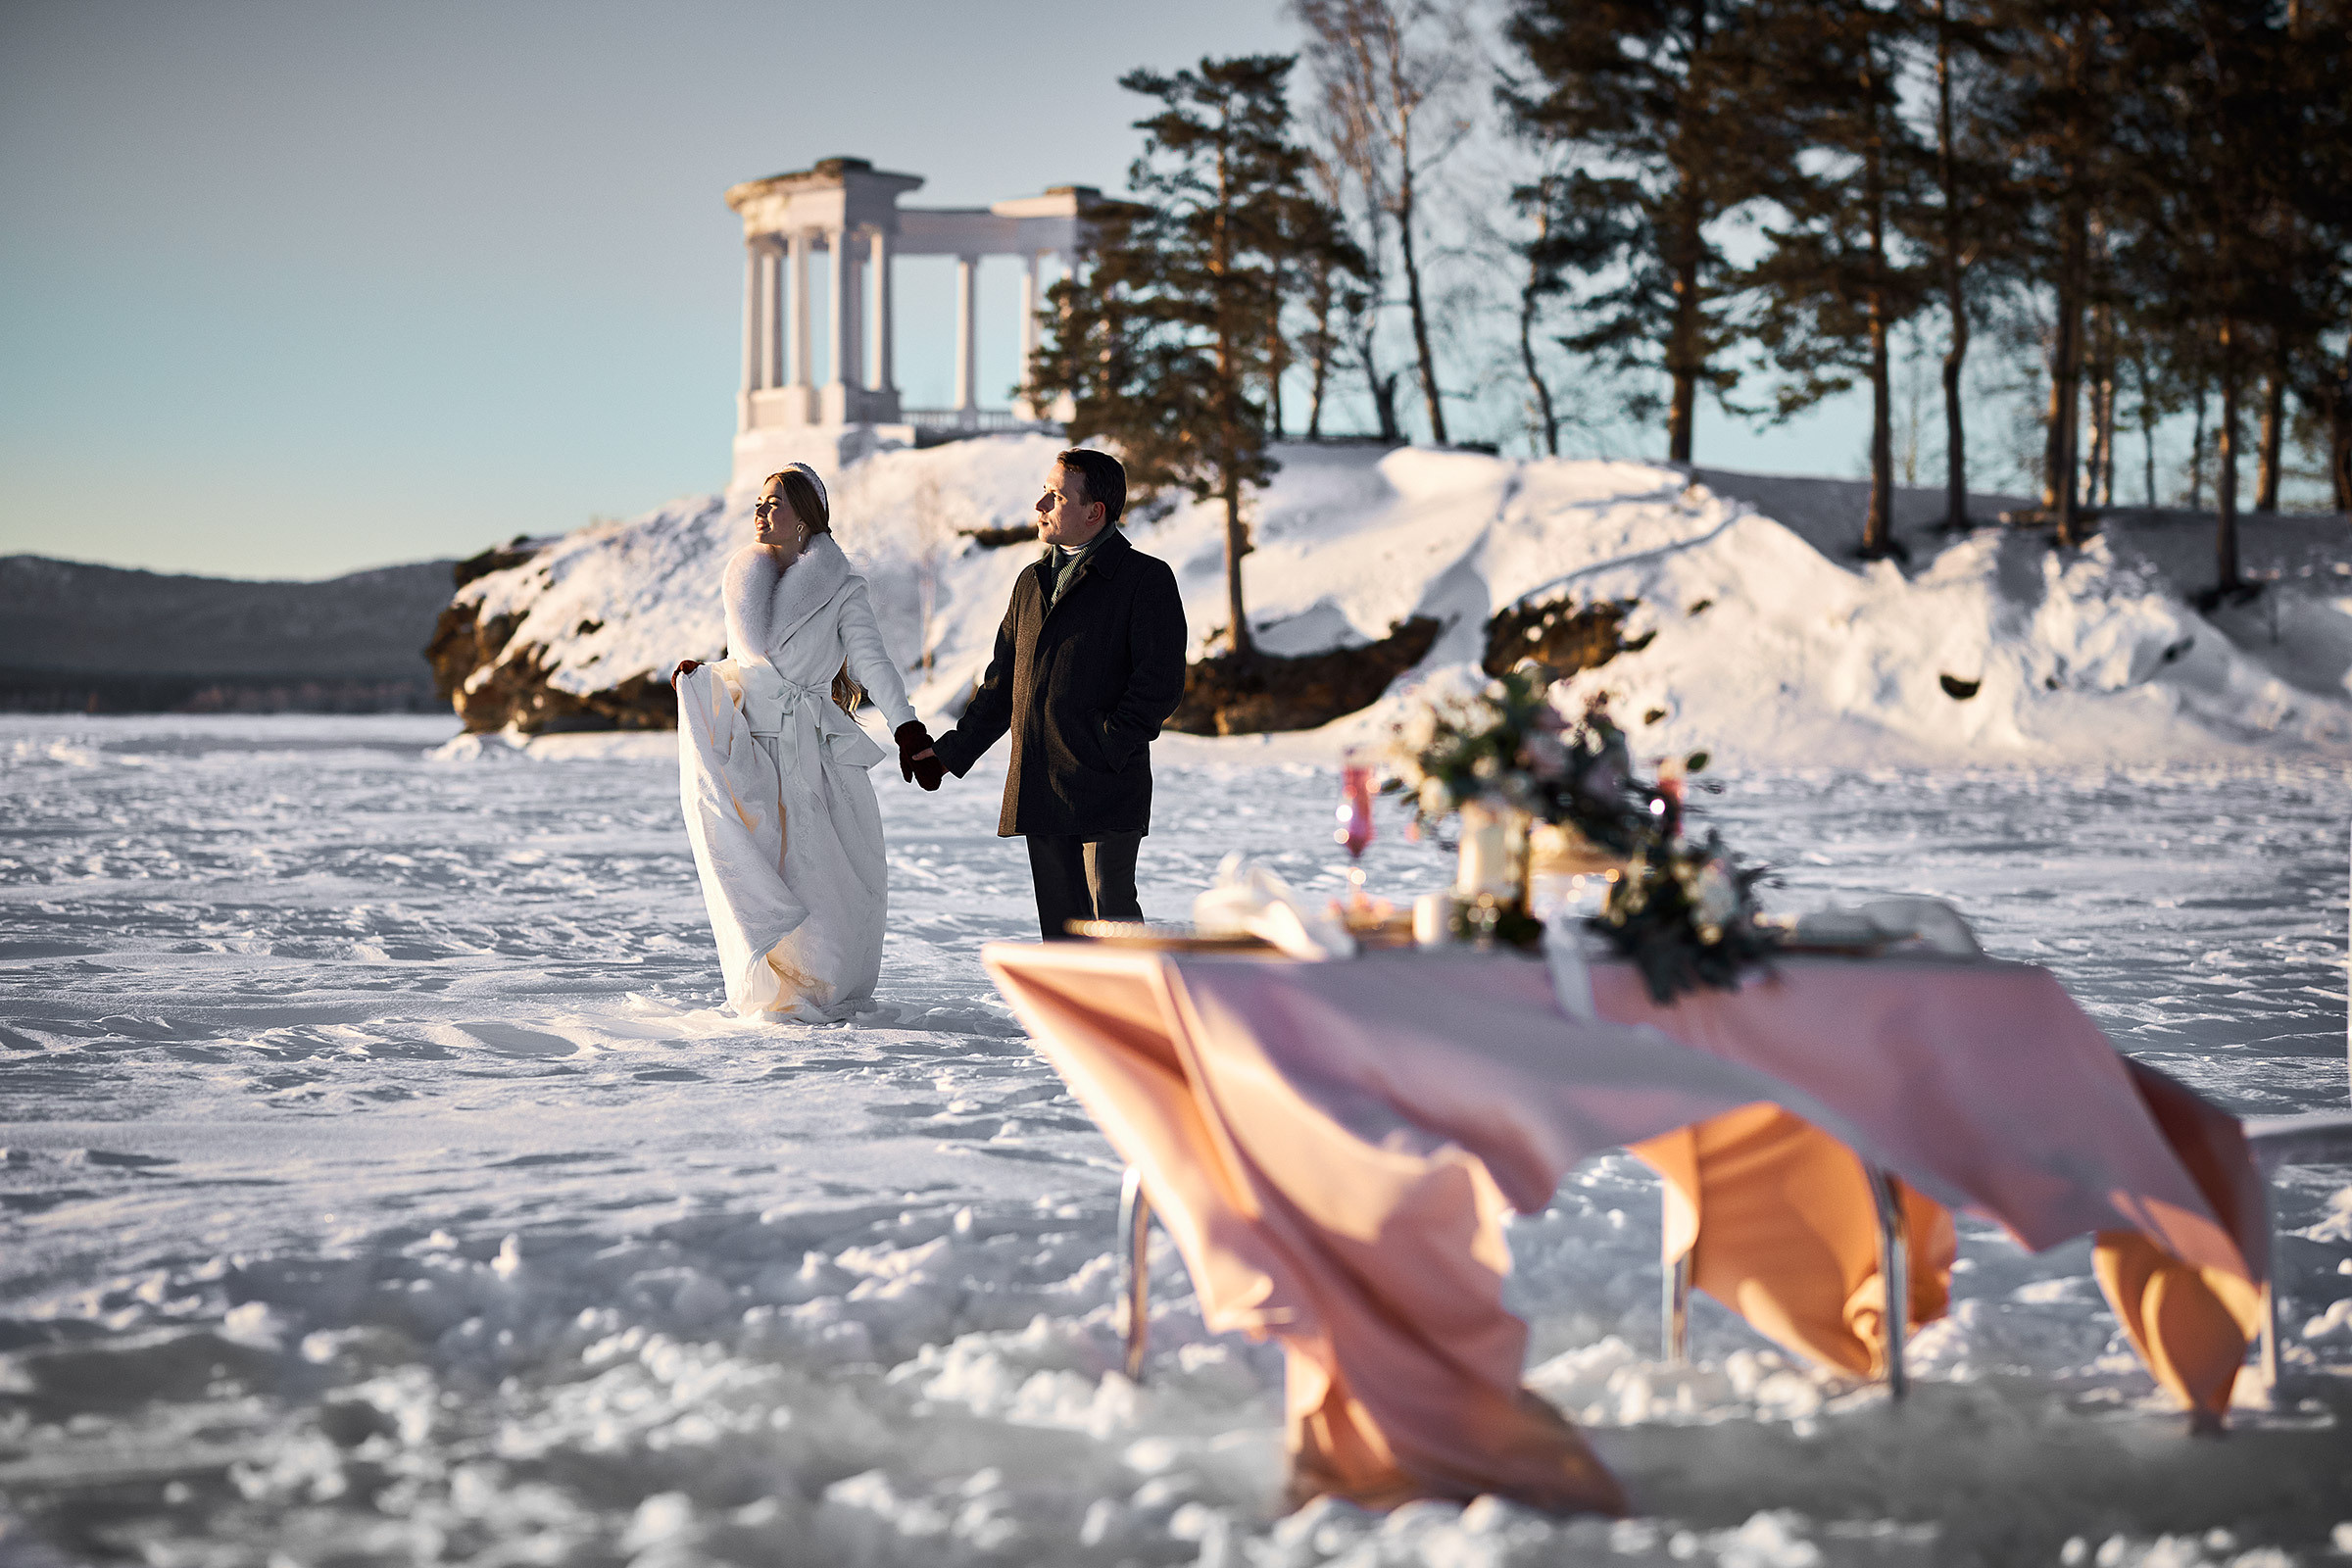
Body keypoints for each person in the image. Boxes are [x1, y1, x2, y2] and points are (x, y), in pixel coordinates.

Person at [672, 464, 937, 1016]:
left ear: (805, 518)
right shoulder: (744, 580)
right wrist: (707, 673)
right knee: (758, 870)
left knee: (822, 879)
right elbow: (748, 670)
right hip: (753, 753)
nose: (762, 512)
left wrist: (907, 726)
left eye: (776, 503)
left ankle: (820, 986)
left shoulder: (842, 590)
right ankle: (774, 989)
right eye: (759, 502)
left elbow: (872, 664)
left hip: (813, 758)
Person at [909, 448, 1188, 939]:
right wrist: (948, 755)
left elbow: (1159, 685)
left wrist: (1107, 744)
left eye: (1056, 496)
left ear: (1094, 511)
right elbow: (1001, 688)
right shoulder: (1031, 582)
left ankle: (1138, 1015)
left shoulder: (1145, 580)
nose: (1040, 505)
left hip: (1106, 785)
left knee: (1111, 919)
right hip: (1041, 785)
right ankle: (1075, 1018)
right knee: (1063, 936)